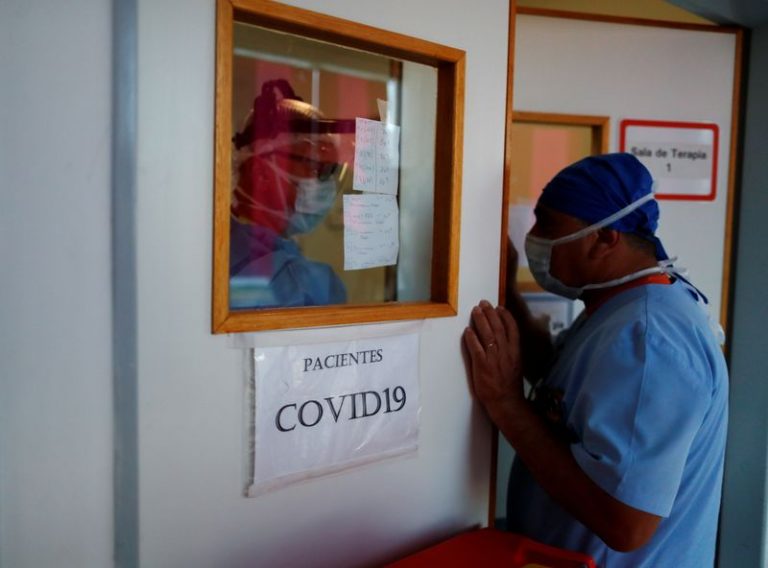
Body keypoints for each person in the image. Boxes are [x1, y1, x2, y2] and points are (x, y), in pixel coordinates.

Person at [463, 153, 728, 567]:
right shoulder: (619, 306)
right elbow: (564, 382)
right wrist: (506, 293)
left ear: (606, 239)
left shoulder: (650, 337)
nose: (535, 237)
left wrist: (506, 404)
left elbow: (625, 524)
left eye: (548, 224)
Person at [229, 79, 347, 309]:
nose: (326, 185)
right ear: (260, 172)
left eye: (330, 171)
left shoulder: (227, 244)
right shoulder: (292, 282)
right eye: (313, 166)